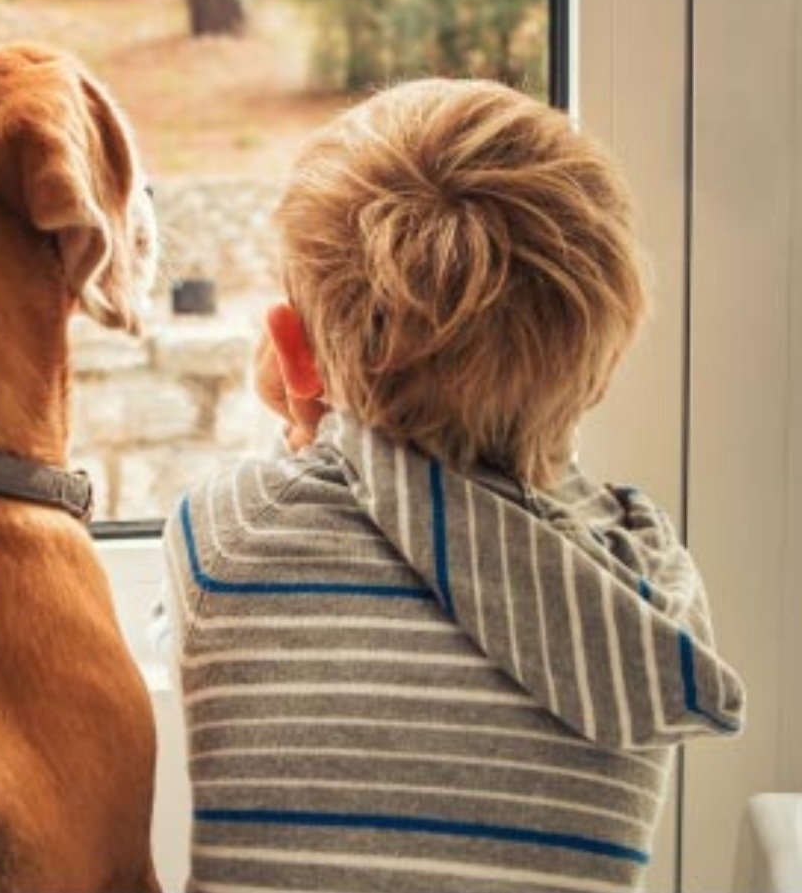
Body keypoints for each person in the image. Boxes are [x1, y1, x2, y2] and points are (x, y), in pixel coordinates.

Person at [162, 79, 745, 893]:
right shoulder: (649, 587)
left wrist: (307, 425)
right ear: (605, 363)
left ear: (292, 353)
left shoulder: (236, 531)